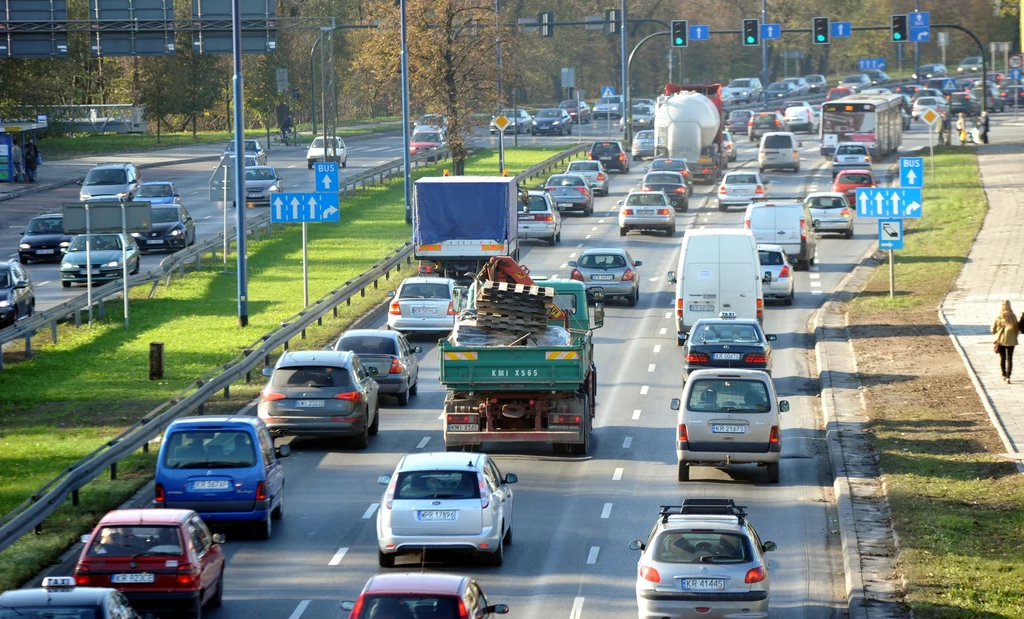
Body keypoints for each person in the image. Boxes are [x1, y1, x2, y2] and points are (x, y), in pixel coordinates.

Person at [992, 300, 1020, 383]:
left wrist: (997, 332)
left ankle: (1004, 374)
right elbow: (1016, 329)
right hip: (1011, 340)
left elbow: (992, 329)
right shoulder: (1013, 316)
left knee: (1003, 358)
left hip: (1001, 340)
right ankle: (1008, 376)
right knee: (1010, 358)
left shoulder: (999, 317)